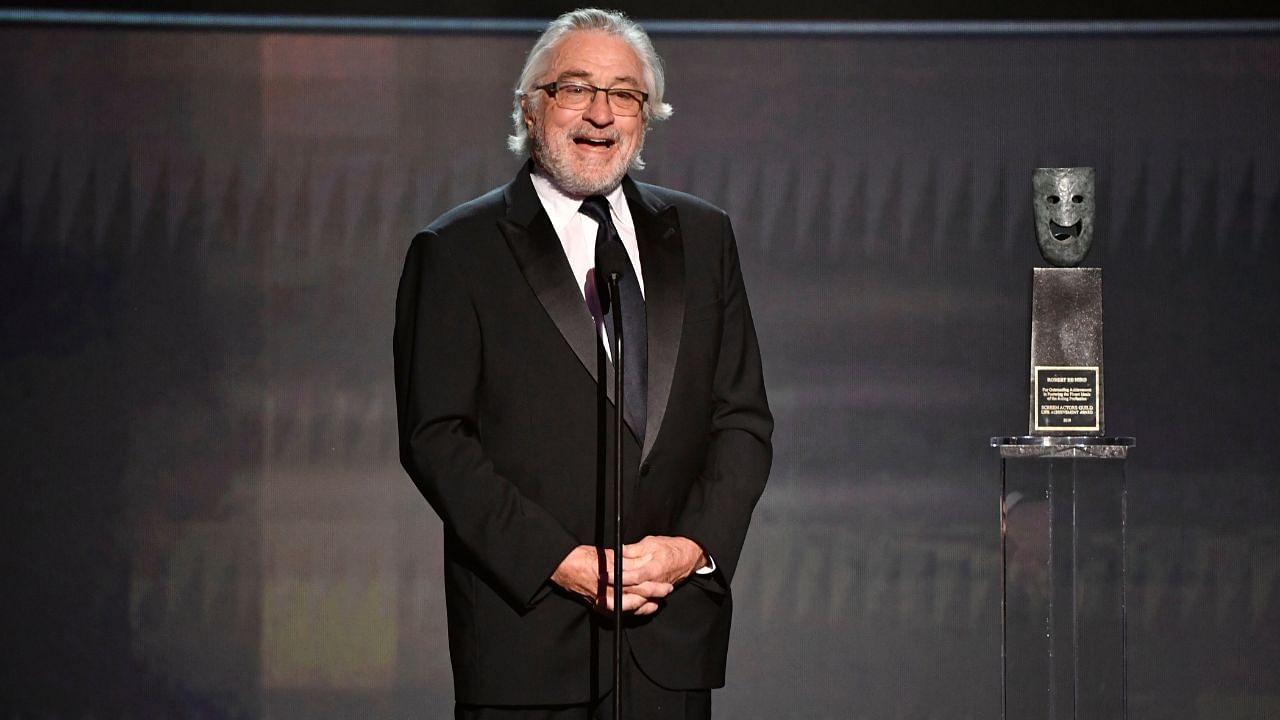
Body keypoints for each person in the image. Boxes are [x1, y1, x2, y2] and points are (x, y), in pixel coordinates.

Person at [394, 8, 772, 719]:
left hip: (668, 640)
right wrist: (561, 563)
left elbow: (742, 420)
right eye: (575, 89)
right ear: (530, 108)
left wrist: (690, 550)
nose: (601, 114)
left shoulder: (703, 237)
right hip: (528, 645)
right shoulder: (457, 252)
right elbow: (435, 439)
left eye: (624, 94)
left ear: (647, 116)